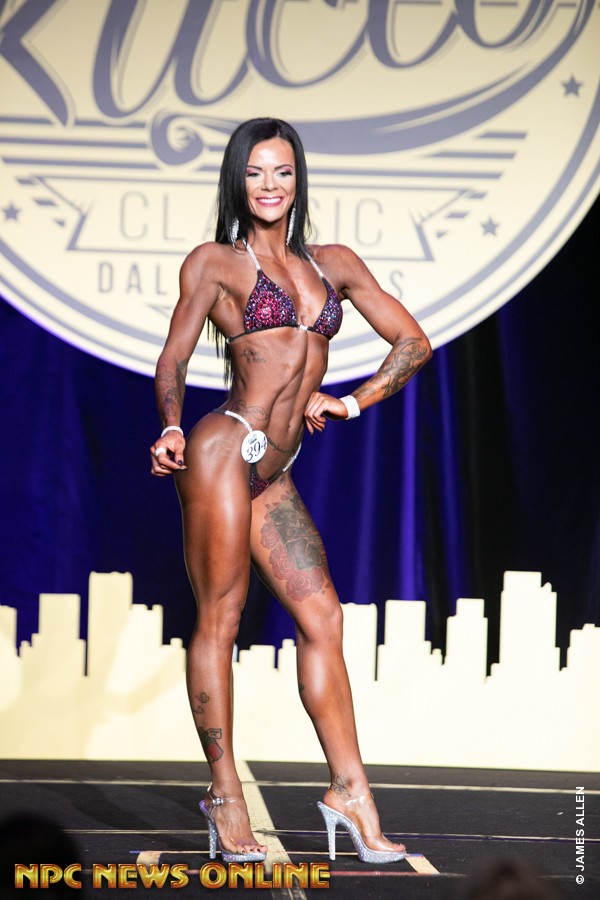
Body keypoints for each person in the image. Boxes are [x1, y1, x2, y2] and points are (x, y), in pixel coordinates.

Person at [150, 117, 432, 863]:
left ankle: (350, 792)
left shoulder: (333, 264)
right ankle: (225, 796)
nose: (269, 185)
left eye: (281, 171)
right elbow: (173, 358)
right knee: (221, 617)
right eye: (254, 172)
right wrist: (171, 426)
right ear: (237, 182)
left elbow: (414, 341)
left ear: (298, 178)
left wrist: (354, 401)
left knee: (324, 618)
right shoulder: (215, 263)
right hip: (220, 450)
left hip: (272, 471)